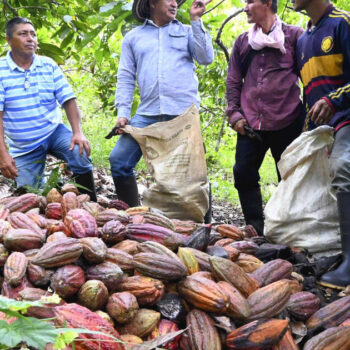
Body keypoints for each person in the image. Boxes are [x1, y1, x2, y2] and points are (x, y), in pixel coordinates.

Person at [109, 0, 214, 209]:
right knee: (119, 161)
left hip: (182, 115)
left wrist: (196, 19)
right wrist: (123, 113)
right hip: (147, 114)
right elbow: (126, 77)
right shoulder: (133, 38)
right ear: (152, 3)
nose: (175, 3)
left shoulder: (186, 31)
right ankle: (133, 215)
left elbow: (205, 58)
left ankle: (203, 225)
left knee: (194, 173)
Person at [225, 0, 303, 236]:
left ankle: (289, 232)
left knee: (289, 180)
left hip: (287, 121)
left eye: (250, 1)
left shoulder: (295, 37)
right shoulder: (243, 41)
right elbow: (233, 81)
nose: (245, 7)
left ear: (267, 3)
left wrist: (310, 119)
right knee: (243, 173)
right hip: (250, 124)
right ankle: (255, 230)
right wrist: (235, 114)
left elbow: (308, 77)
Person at [0, 17, 97, 201]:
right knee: (30, 195)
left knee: (79, 151)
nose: (30, 38)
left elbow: (68, 100)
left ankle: (91, 204)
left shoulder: (48, 65)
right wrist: (3, 155)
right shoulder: (1, 70)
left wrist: (78, 132)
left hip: (53, 132)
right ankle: (56, 188)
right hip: (24, 146)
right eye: (23, 34)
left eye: (33, 34)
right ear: (8, 40)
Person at [293, 0, 350, 289]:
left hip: (347, 118)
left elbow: (331, 94)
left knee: (343, 167)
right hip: (324, 128)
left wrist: (334, 100)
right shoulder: (304, 39)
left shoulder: (342, 23)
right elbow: (311, 94)